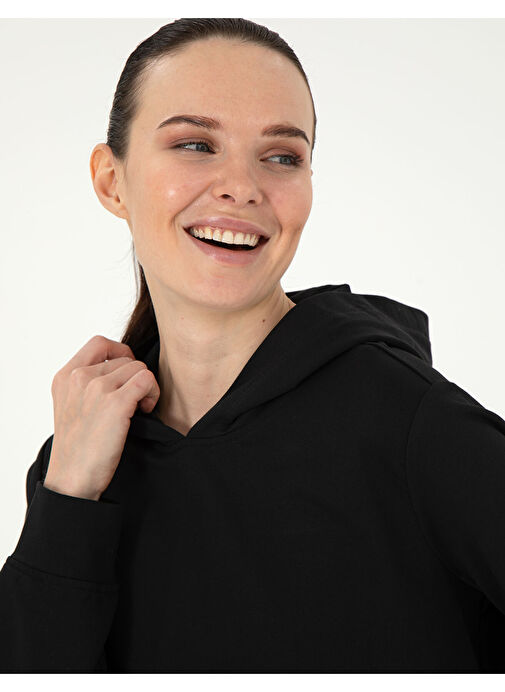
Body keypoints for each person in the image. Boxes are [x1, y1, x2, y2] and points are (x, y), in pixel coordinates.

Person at [1, 17, 505, 673]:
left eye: (281, 156)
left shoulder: (408, 421)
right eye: (195, 144)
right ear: (110, 180)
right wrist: (67, 497)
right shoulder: (80, 459)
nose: (241, 186)